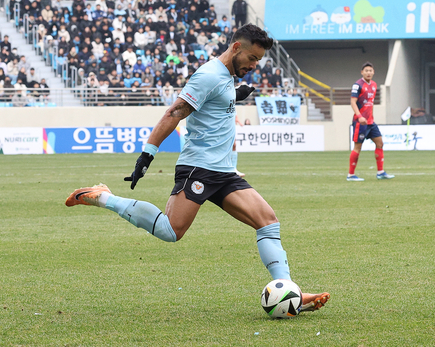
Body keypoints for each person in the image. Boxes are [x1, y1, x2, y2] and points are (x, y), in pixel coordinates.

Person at [65, 24, 330, 312]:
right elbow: (175, 112)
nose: (254, 65)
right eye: (252, 58)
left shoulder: (227, 76)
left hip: (225, 172)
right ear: (237, 48)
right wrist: (147, 155)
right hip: (199, 168)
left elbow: (215, 101)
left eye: (258, 61)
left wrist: (234, 95)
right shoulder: (208, 75)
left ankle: (290, 293)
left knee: (268, 222)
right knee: (170, 230)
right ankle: (104, 197)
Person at [347, 62, 394, 181]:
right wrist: (359, 116)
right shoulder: (357, 85)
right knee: (357, 147)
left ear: (373, 72)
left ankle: (380, 172)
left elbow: (370, 104)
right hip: (360, 122)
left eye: (370, 70)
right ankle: (351, 175)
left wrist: (370, 118)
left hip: (370, 122)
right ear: (362, 72)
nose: (368, 72)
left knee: (380, 143)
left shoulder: (373, 85)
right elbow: (353, 102)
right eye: (366, 70)